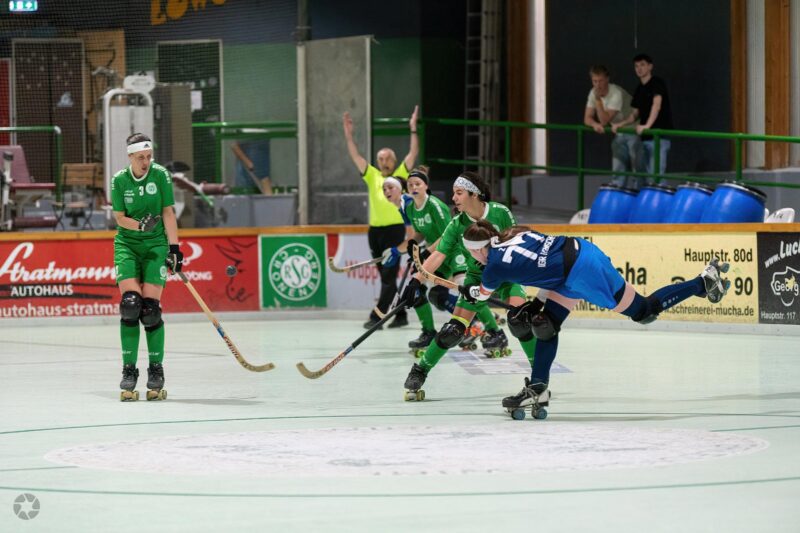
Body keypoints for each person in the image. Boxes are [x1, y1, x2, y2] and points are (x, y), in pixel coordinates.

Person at [459, 219, 730, 415]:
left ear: (478, 249)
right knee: (545, 324)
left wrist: (468, 290)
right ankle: (538, 388)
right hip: (573, 258)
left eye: (470, 253)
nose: (473, 259)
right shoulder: (513, 233)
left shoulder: (493, 267)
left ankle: (702, 281)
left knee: (644, 312)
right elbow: (546, 263)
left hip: (583, 270)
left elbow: (480, 296)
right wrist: (537, 303)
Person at [397, 171, 539, 400]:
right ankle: (420, 371)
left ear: (474, 194)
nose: (453, 198)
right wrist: (416, 280)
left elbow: (517, 243)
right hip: (476, 279)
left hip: (506, 277)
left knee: (519, 321)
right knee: (452, 331)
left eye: (459, 193)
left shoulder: (500, 213)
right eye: (454, 193)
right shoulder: (457, 223)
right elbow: (439, 254)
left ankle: (539, 376)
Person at [112, 133, 183, 401]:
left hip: (155, 246)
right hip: (128, 245)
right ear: (130, 156)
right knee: (130, 305)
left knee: (150, 311)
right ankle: (129, 370)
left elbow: (168, 212)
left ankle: (156, 369)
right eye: (140, 157)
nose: (146, 162)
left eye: (149, 156)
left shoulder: (160, 175)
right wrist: (140, 225)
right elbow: (120, 218)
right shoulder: (119, 180)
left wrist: (174, 249)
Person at [343, 105, 419, 329]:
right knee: (387, 277)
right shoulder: (373, 175)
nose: (384, 161)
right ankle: (401, 315)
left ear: (394, 161)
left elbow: (413, 153)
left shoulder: (401, 174)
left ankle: (377, 317)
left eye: (387, 158)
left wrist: (413, 128)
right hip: (374, 232)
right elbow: (355, 155)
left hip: (394, 230)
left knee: (388, 275)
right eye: (380, 158)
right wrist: (349, 135)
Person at [380, 167, 467, 354]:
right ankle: (428, 332)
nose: (413, 187)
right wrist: (410, 249)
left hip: (453, 252)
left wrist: (425, 253)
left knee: (466, 291)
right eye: (410, 184)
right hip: (436, 254)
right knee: (423, 291)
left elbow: (447, 235)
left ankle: (491, 329)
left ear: (426, 186)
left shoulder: (435, 205)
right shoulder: (411, 208)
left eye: (417, 184)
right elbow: (419, 234)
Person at [583, 65, 645, 190]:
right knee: (618, 163)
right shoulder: (593, 92)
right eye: (595, 81)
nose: (598, 85)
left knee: (636, 163)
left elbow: (604, 120)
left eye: (600, 81)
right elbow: (587, 118)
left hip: (633, 128)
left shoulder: (616, 93)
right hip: (619, 130)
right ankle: (618, 191)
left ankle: (639, 191)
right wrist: (595, 124)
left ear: (607, 79)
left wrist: (598, 101)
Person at [613, 54, 673, 180]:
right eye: (636, 66)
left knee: (656, 176)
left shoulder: (657, 82)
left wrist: (647, 125)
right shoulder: (639, 89)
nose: (639, 68)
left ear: (650, 66)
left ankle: (656, 193)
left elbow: (657, 105)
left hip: (659, 136)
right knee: (644, 176)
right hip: (644, 138)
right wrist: (620, 124)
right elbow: (635, 114)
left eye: (642, 65)